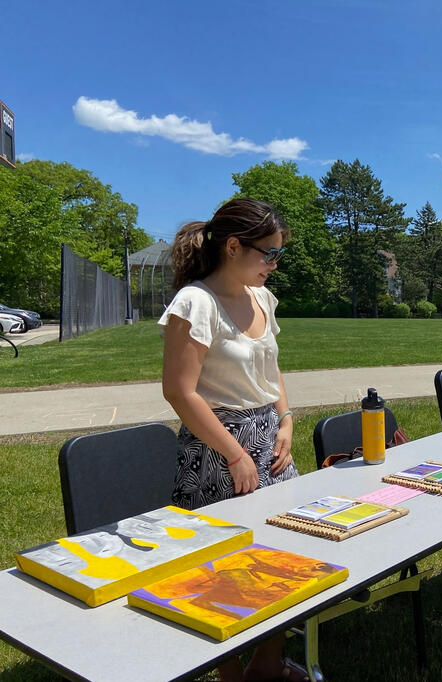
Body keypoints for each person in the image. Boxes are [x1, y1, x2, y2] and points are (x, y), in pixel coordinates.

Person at [160, 197, 306, 682]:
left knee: (283, 555)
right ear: (233, 245)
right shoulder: (196, 303)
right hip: (218, 447)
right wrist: (236, 454)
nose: (274, 264)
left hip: (269, 440)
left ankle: (267, 665)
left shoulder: (262, 298)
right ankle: (228, 674)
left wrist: (286, 420)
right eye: (268, 253)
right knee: (225, 567)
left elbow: (272, 368)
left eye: (278, 254)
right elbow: (179, 392)